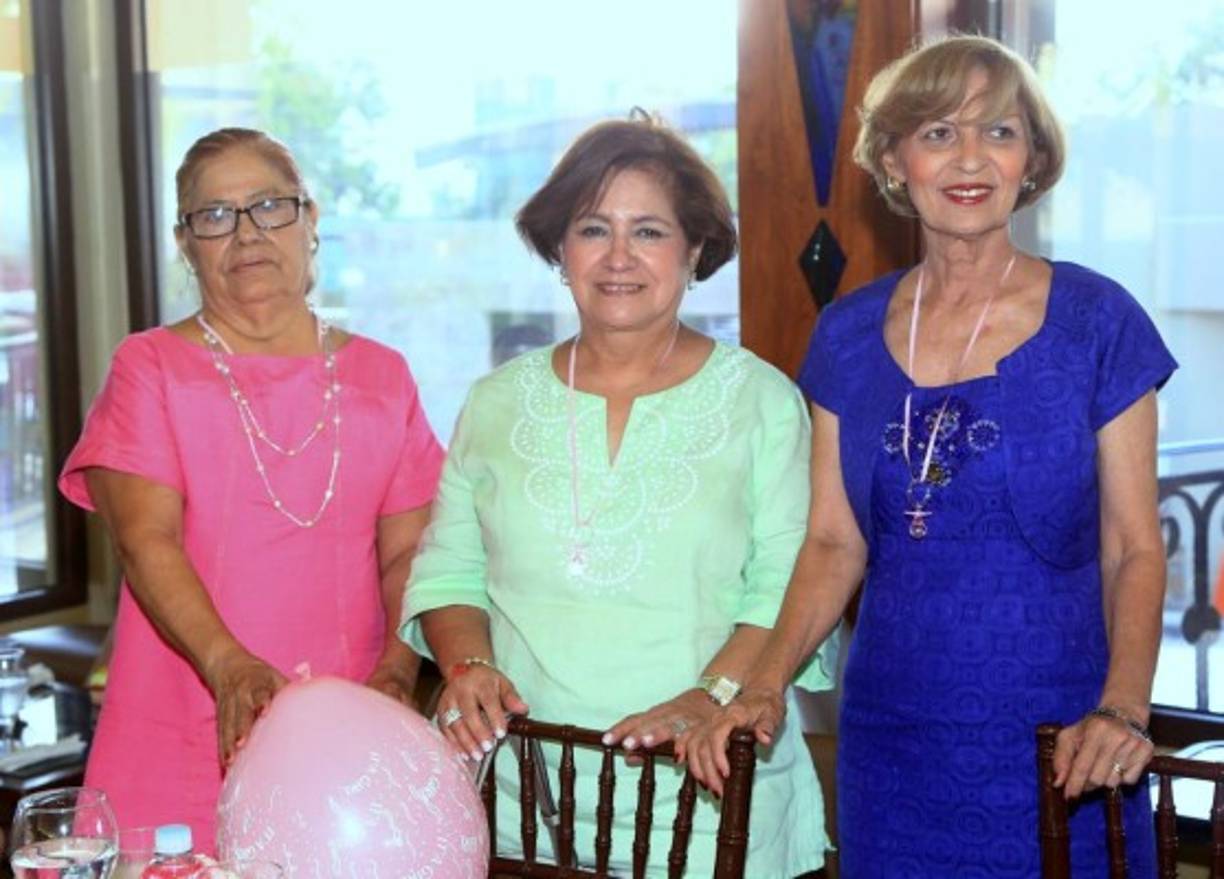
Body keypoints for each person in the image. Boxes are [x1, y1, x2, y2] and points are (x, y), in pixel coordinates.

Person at [681, 35, 1177, 876]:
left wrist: (1124, 710)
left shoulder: (1100, 321)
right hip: (892, 742)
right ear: (894, 159)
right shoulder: (843, 333)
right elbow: (836, 543)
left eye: (1000, 131)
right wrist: (763, 683)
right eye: (939, 133)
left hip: (1068, 749)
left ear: (1033, 158)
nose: (971, 157)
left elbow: (1134, 544)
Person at [400, 114, 836, 877]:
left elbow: (787, 586)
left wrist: (710, 695)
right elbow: (448, 571)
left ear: (695, 249)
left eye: (650, 232)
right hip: (521, 795)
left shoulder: (762, 400)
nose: (619, 257)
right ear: (559, 248)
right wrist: (466, 665)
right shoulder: (495, 401)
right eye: (593, 228)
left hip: (710, 791)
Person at [59, 127, 445, 851]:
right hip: (186, 719)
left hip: (348, 735)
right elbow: (146, 540)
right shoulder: (149, 368)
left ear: (310, 220)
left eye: (269, 206)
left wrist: (397, 669)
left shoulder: (383, 377)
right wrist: (229, 664)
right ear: (185, 242)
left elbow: (411, 555)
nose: (246, 234)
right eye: (215, 216)